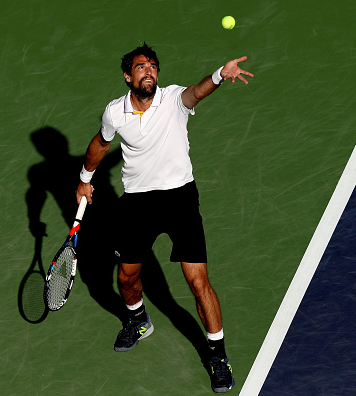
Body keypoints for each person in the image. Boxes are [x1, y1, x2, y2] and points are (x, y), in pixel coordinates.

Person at [75, 43, 253, 393]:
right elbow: (100, 144)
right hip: (138, 204)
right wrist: (83, 180)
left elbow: (196, 92)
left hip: (180, 200)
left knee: (197, 281)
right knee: (126, 278)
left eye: (154, 66)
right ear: (128, 76)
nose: (149, 71)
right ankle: (139, 320)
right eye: (141, 67)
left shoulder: (172, 100)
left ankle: (217, 355)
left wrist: (220, 74)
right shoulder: (115, 113)